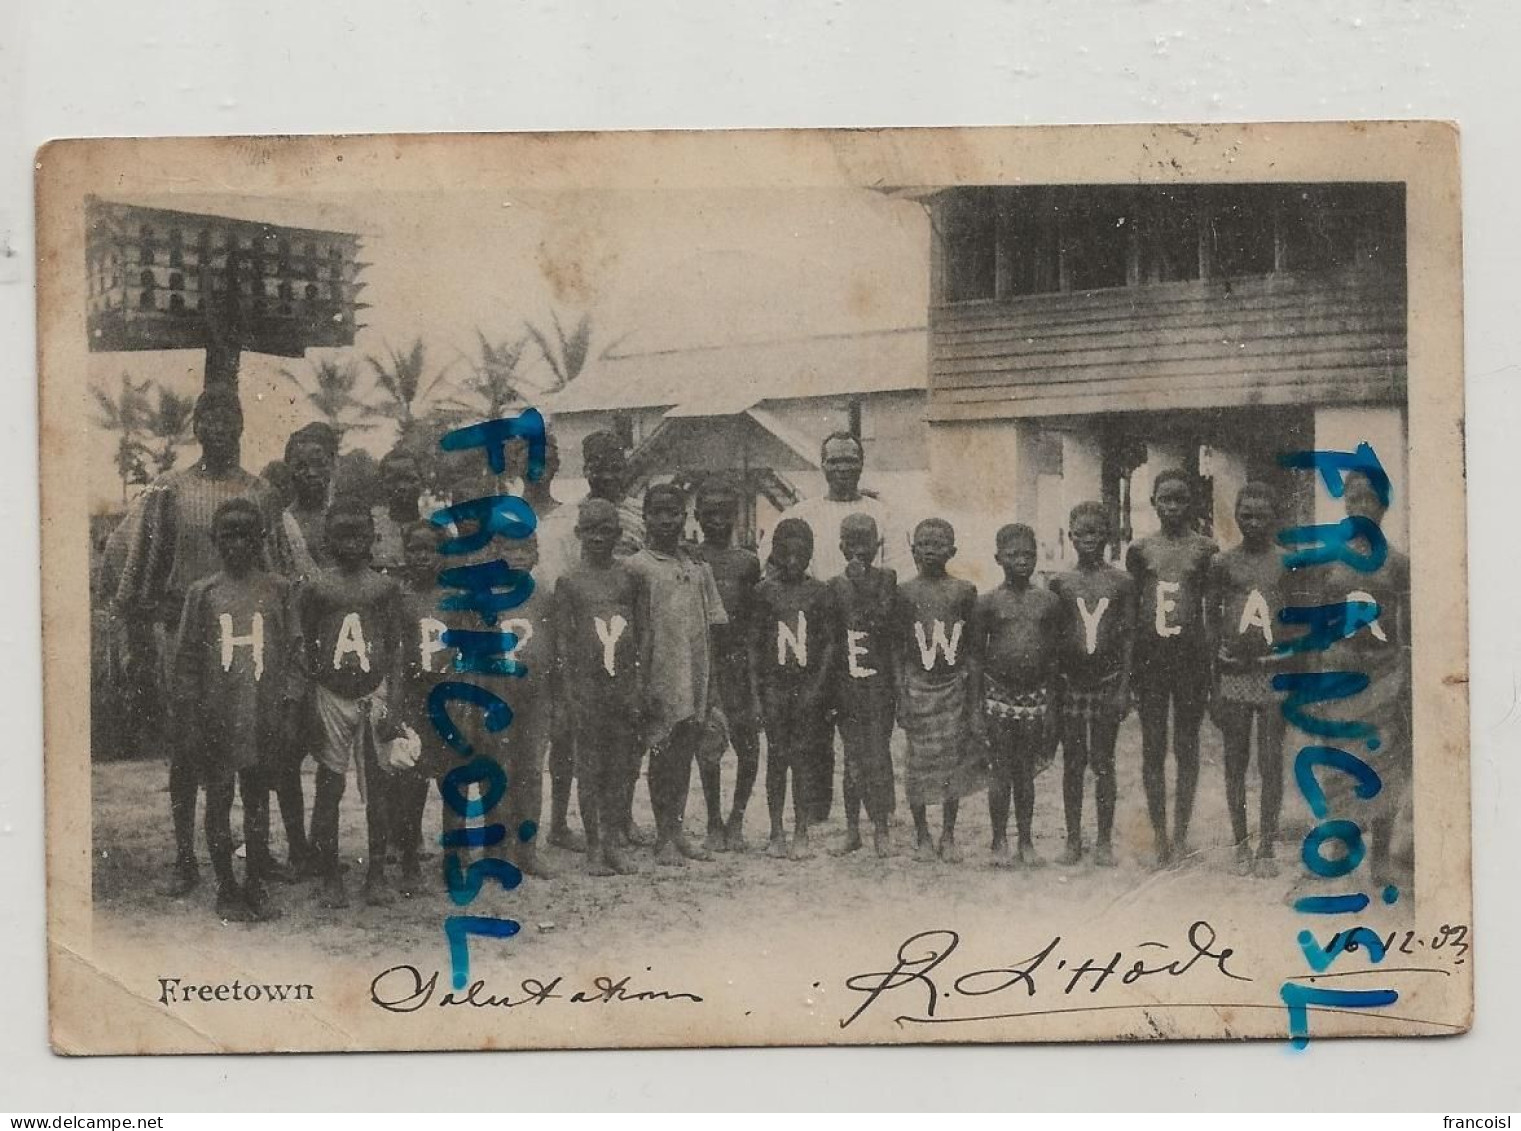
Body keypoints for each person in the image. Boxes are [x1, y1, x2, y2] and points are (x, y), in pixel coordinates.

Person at [114, 386, 277, 891]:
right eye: (208, 419)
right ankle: (187, 858)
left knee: (250, 745)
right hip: (184, 633)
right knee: (188, 747)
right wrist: (129, 629)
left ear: (241, 425)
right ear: (196, 427)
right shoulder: (168, 487)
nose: (219, 429)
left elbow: (277, 565)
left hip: (247, 633)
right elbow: (139, 560)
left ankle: (255, 855)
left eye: (229, 419)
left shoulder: (260, 491)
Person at [170, 498, 303, 921]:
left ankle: (256, 882)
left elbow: (297, 655)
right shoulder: (202, 593)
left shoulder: (280, 589)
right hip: (218, 718)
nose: (237, 543)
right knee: (219, 799)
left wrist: (289, 709)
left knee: (258, 798)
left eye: (247, 533)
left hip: (264, 715)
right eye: (228, 534)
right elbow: (188, 660)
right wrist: (190, 720)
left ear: (261, 538)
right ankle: (227, 886)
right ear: (214, 540)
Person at [299, 498, 408, 908]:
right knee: (329, 785)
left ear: (371, 539)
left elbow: (396, 648)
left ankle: (376, 874)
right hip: (330, 694)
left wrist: (394, 704)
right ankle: (330, 875)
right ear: (327, 539)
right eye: (341, 533)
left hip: (373, 692)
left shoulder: (384, 587)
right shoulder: (316, 588)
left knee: (377, 788)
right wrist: (312, 699)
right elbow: (306, 648)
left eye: (358, 534)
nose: (350, 542)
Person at [626, 483, 727, 866]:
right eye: (659, 512)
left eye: (674, 513)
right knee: (662, 754)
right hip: (658, 678)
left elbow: (712, 627)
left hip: (694, 676)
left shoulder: (699, 568)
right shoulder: (637, 568)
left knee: (684, 756)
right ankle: (662, 838)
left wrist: (711, 684)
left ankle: (677, 831)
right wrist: (641, 683)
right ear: (646, 517)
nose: (667, 520)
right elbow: (633, 633)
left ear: (684, 518)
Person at [1126, 469, 1219, 868]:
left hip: (1190, 659)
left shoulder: (1206, 550)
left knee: (1186, 746)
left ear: (1193, 503)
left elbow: (1211, 613)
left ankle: (1181, 834)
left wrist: (1212, 666)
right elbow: (1133, 610)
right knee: (1152, 746)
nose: (1172, 507)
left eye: (1180, 499)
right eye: (1165, 499)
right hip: (1151, 659)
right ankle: (1159, 834)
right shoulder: (1140, 550)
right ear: (1153, 502)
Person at [552, 499, 647, 876]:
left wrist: (638, 685)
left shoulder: (630, 579)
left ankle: (611, 841)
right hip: (587, 689)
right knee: (589, 768)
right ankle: (593, 846)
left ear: (618, 534)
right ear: (578, 533)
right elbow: (563, 643)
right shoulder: (570, 582)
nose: (597, 538)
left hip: (622, 687)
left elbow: (643, 635)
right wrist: (570, 694)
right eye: (590, 530)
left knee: (621, 767)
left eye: (606, 530)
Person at [1207, 483, 1291, 877]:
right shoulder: (1223, 563)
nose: (1252, 522)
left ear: (1275, 518)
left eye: (1261, 515)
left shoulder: (1286, 562)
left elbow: (1301, 618)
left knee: (1270, 762)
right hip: (1235, 674)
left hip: (1273, 672)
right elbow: (1211, 617)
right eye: (1246, 515)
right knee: (1235, 761)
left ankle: (1268, 847)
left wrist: (1294, 658)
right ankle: (1241, 844)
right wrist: (1216, 663)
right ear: (1236, 517)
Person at [1049, 502, 1135, 867]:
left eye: (1096, 533)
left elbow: (1129, 638)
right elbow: (1053, 641)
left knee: (1103, 761)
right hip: (1071, 683)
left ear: (1108, 536)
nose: (1088, 540)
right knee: (1073, 762)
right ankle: (1072, 840)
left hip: (1107, 681)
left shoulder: (1122, 583)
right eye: (1081, 533)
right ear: (1070, 536)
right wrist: (1054, 690)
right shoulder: (1059, 582)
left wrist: (1123, 688)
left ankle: (1103, 841)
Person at [751, 518, 840, 860]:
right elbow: (755, 647)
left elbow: (830, 644)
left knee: (804, 759)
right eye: (784, 552)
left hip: (807, 687)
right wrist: (758, 696)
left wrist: (818, 688)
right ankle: (776, 830)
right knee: (776, 758)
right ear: (774, 553)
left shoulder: (820, 592)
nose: (792, 559)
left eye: (800, 552)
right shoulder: (764, 592)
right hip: (775, 685)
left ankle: (801, 829)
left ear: (810, 554)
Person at [897, 517, 984, 864]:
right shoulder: (904, 593)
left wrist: (973, 699)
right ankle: (921, 833)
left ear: (953, 550)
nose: (931, 549)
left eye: (939, 543)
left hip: (953, 686)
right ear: (913, 549)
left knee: (953, 764)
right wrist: (901, 693)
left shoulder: (964, 591)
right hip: (918, 685)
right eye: (924, 543)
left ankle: (948, 833)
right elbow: (897, 648)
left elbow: (974, 651)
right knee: (917, 763)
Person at [975, 524, 1062, 868]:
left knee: (1025, 772)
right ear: (998, 559)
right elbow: (976, 659)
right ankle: (999, 840)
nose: (1021, 561)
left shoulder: (1049, 602)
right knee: (1000, 771)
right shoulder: (987, 603)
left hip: (1035, 698)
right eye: (1013, 555)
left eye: (1028, 554)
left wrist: (1052, 706)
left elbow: (1055, 658)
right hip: (998, 697)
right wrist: (976, 708)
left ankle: (1026, 840)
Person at [690, 477, 764, 851]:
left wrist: (753, 678)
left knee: (748, 746)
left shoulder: (748, 563)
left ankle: (736, 818)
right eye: (710, 514)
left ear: (735, 517)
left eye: (725, 514)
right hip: (705, 665)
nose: (718, 522)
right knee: (709, 747)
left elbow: (753, 622)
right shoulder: (691, 559)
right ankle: (714, 821)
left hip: (739, 665)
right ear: (698, 516)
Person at [828, 513, 899, 858]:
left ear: (877, 545)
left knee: (878, 756)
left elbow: (884, 622)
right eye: (851, 544)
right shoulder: (834, 586)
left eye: (865, 543)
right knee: (852, 758)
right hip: (848, 687)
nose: (859, 551)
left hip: (879, 687)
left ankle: (882, 827)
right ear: (841, 546)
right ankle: (852, 829)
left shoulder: (887, 579)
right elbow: (832, 639)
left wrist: (861, 585)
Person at [269, 424, 338, 580]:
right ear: (289, 470)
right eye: (301, 466)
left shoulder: (344, 518)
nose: (311, 473)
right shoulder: (282, 525)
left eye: (319, 464)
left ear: (332, 465)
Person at [371, 447, 427, 575]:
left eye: (410, 479)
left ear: (422, 482)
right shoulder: (370, 531)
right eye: (393, 481)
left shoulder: (437, 529)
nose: (401, 487)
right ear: (382, 484)